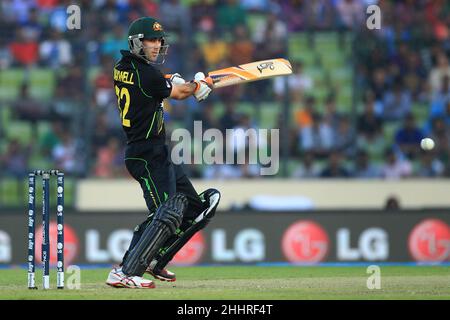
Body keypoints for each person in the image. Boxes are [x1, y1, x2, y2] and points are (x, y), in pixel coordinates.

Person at [106, 17, 221, 289]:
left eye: (158, 40)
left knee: (198, 206)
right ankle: (126, 270)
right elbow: (179, 93)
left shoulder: (123, 67)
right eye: (150, 40)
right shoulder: (147, 75)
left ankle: (157, 260)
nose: (156, 45)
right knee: (169, 211)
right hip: (145, 154)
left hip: (157, 152)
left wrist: (179, 81)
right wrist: (198, 86)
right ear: (137, 42)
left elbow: (162, 82)